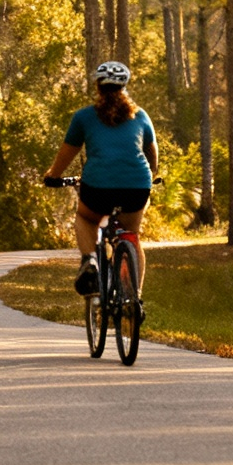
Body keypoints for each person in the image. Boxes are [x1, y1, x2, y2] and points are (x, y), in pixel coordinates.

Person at [44, 61, 158, 298]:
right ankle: (135, 298)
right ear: (124, 86)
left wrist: (53, 175)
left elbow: (67, 152)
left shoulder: (84, 117)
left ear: (98, 86)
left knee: (85, 218)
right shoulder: (140, 116)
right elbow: (151, 152)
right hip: (137, 187)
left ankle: (90, 261)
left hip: (98, 187)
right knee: (132, 235)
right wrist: (152, 174)